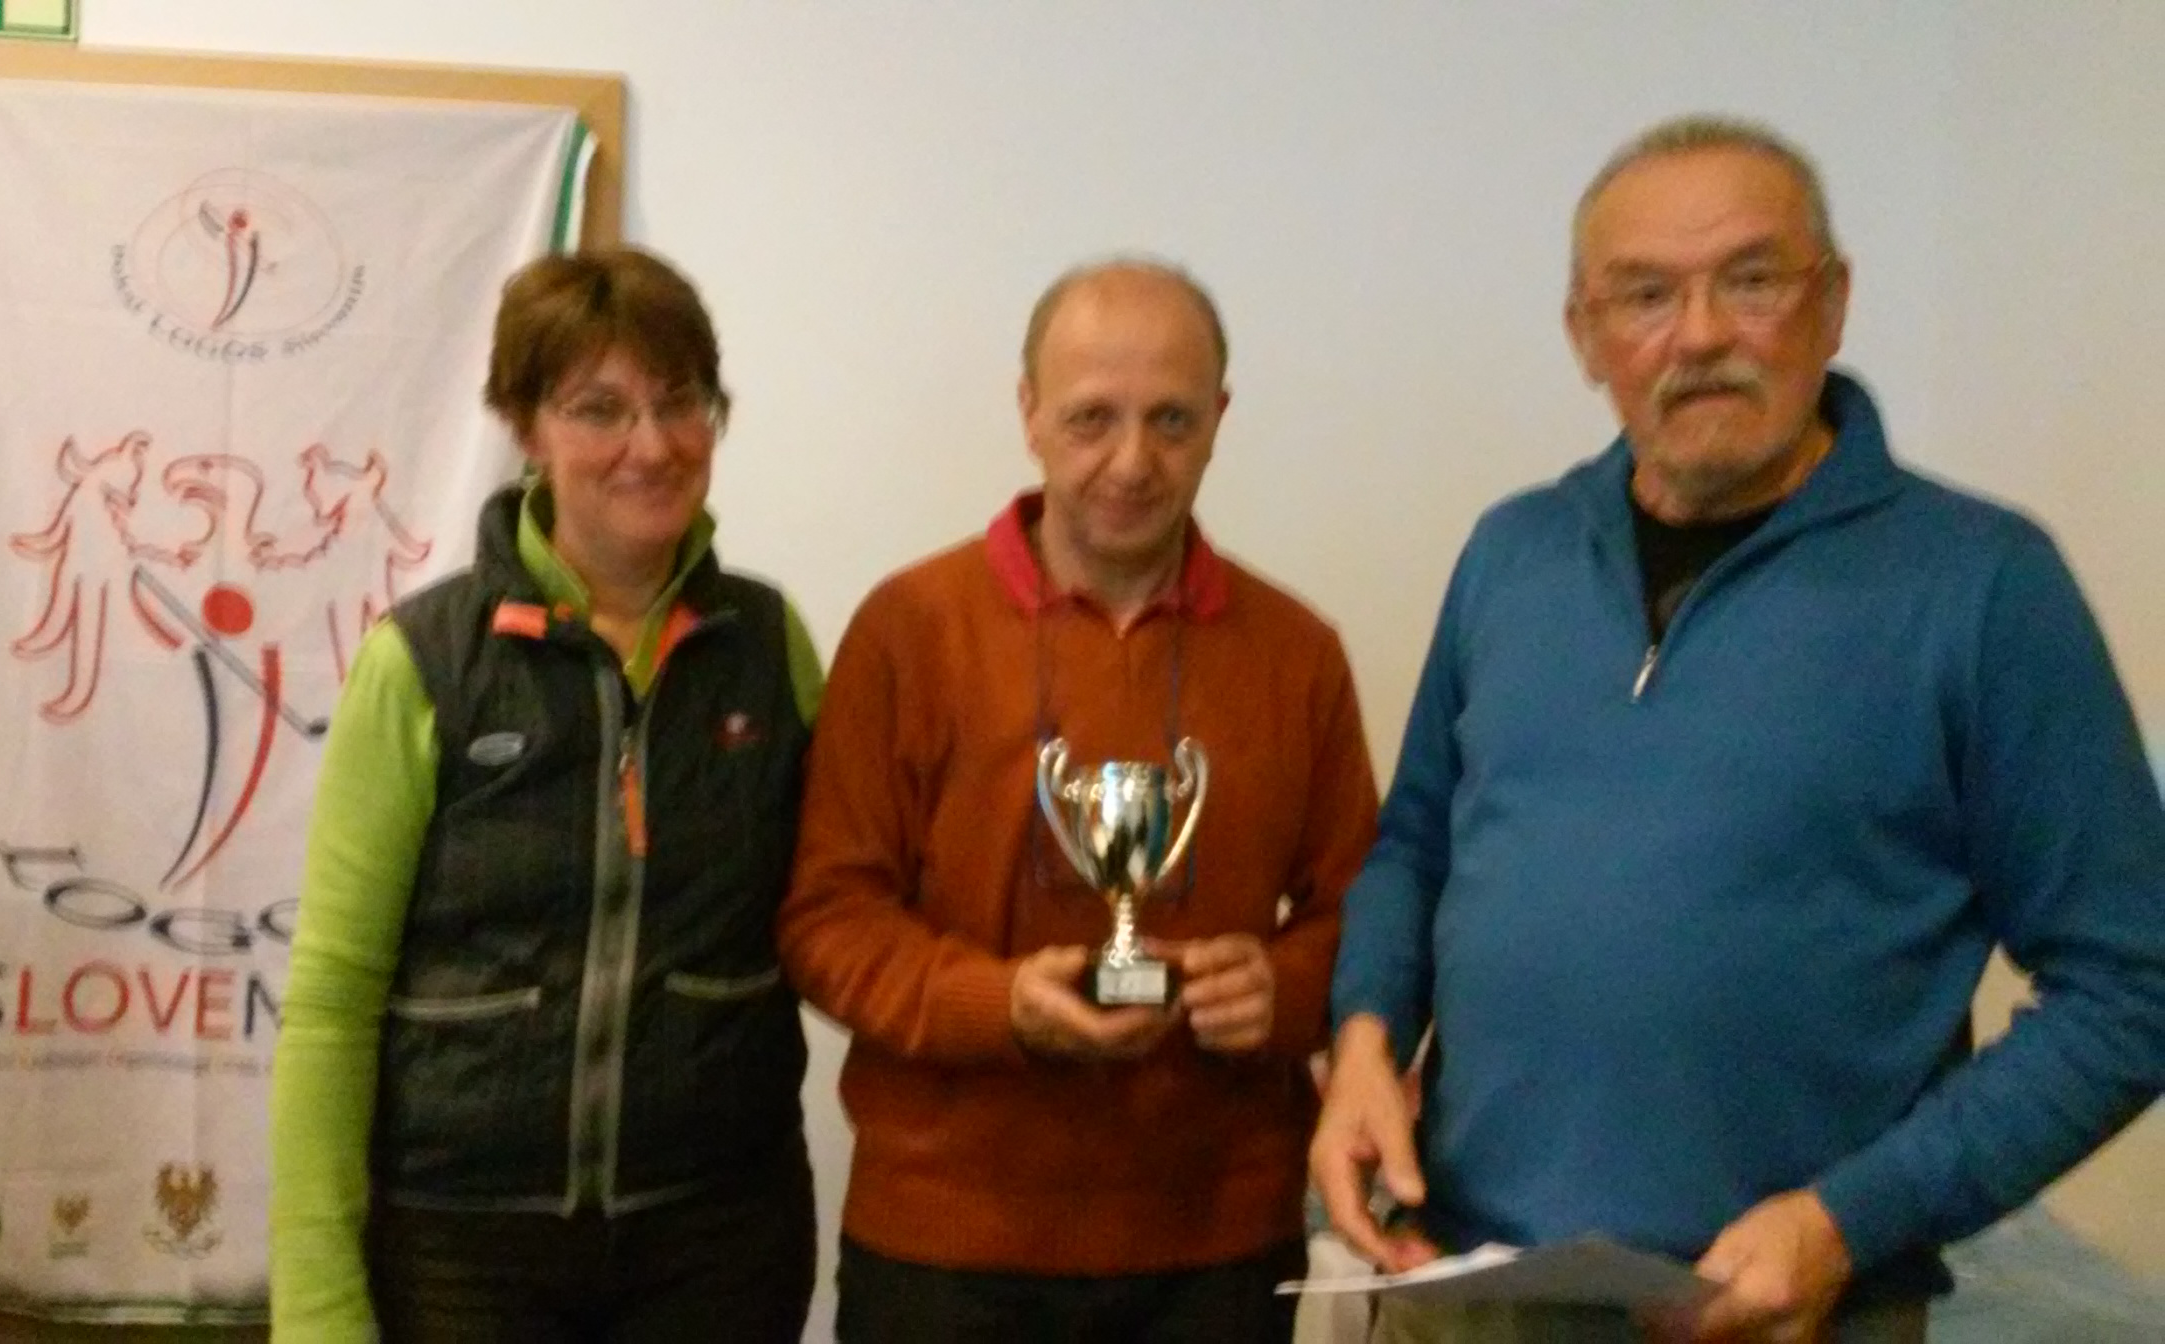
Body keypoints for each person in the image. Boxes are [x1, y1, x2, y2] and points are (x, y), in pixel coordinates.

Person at [1313, 114, 2165, 1344]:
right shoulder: (1511, 554)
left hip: (1777, 1312)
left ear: (1832, 304)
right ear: (1584, 335)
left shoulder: (1980, 586)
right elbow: (1416, 845)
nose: (1700, 333)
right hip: (1460, 1286)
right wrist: (1362, 1039)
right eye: (1644, 294)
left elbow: (2133, 986)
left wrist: (1846, 1221)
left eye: (1751, 281)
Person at [778, 258, 1380, 1342]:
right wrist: (998, 1004)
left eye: (1171, 419)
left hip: (1218, 1247)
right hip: (944, 1249)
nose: (1132, 461)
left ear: (1219, 420)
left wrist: (1283, 991)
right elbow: (827, 920)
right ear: (1029, 413)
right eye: (1092, 417)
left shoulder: (1297, 654)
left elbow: (1367, 915)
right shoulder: (910, 629)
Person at [270, 247, 820, 1342]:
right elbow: (332, 1000)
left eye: (681, 401)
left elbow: (840, 911)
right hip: (463, 1246)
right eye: (599, 408)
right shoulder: (425, 660)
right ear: (526, 426)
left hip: (718, 1240)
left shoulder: (769, 648)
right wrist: (317, 1310)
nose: (651, 445)